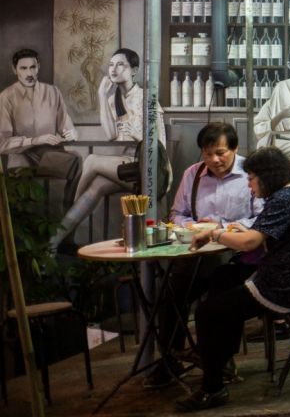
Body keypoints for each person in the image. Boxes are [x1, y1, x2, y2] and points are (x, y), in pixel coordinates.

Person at [175, 147, 290, 412]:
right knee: (224, 278)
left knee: (207, 312)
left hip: (285, 286)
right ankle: (222, 361)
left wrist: (214, 234)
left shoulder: (284, 199)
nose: (249, 184)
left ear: (266, 177)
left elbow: (249, 242)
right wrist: (228, 231)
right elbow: (257, 234)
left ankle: (212, 388)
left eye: (251, 178)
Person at [146, 122, 264, 389]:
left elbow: (261, 216)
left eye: (220, 153)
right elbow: (177, 214)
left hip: (239, 256)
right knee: (172, 295)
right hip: (199, 255)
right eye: (208, 154)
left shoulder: (251, 173)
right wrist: (191, 225)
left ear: (234, 148)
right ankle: (169, 361)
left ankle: (220, 362)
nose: (214, 160)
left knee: (221, 297)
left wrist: (220, 227)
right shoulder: (193, 174)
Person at [51, 48, 167, 251]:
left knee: (91, 161)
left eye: (120, 64)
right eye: (111, 64)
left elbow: (161, 147)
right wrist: (101, 96)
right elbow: (111, 135)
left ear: (134, 70)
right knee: (96, 186)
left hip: (149, 170)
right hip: (127, 168)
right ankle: (55, 243)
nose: (113, 69)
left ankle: (64, 222)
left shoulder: (146, 98)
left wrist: (138, 135)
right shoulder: (114, 99)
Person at [0, 48, 81, 207]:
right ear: (14, 69)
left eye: (33, 67)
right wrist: (35, 140)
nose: (29, 73)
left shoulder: (53, 92)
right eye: (23, 68)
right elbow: (2, 143)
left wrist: (73, 133)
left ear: (38, 67)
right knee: (22, 178)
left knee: (77, 160)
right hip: (22, 158)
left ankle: (68, 210)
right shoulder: (6, 97)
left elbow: (65, 124)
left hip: (49, 157)